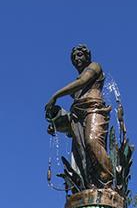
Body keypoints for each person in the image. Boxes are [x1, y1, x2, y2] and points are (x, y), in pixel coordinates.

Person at [45, 44, 113, 188]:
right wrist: (57, 124)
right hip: (77, 116)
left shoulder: (95, 67)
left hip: (94, 109)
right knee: (82, 154)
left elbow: (82, 82)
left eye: (80, 55)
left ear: (87, 56)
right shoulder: (75, 90)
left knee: (92, 141)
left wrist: (55, 96)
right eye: (74, 57)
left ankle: (108, 183)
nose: (77, 58)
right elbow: (69, 121)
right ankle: (90, 185)